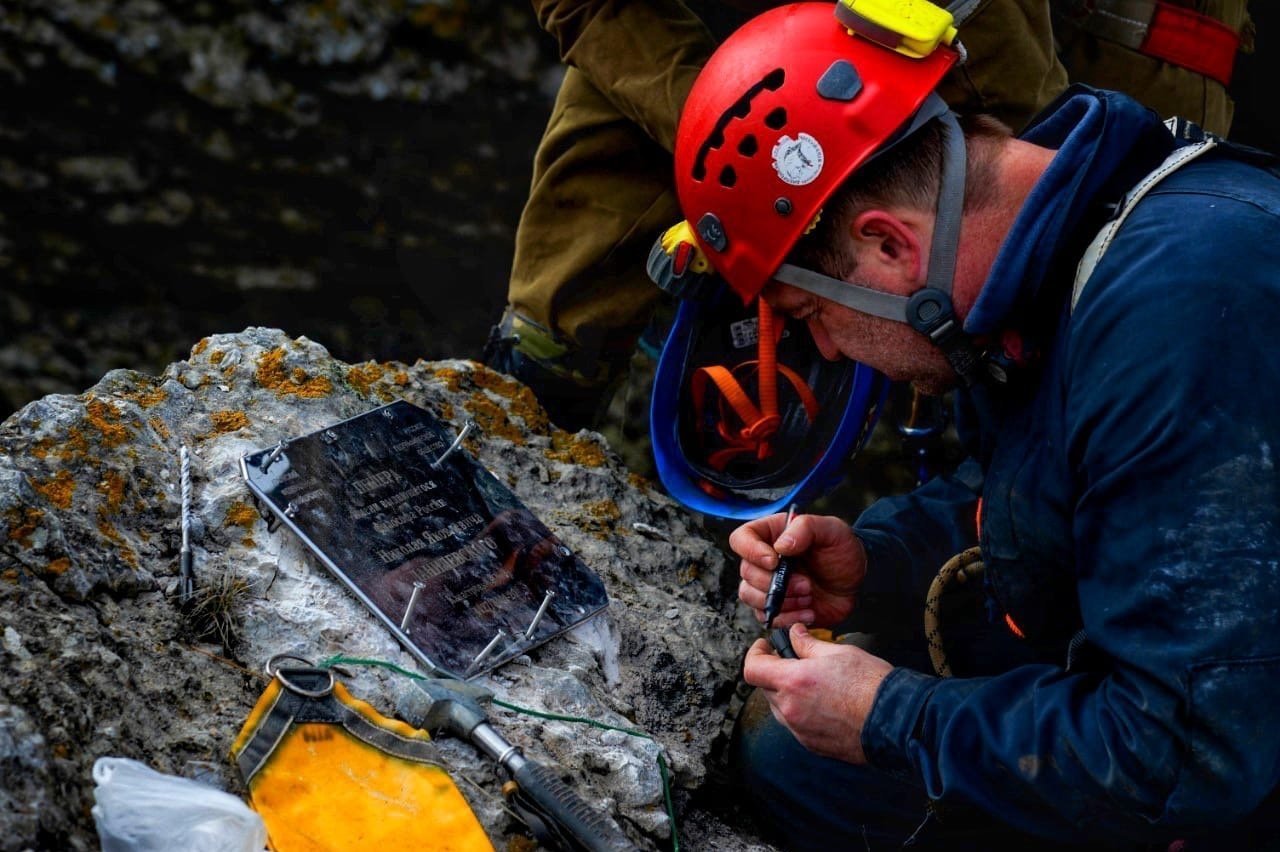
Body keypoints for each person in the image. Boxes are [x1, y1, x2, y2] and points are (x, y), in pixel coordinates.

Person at [646, 3, 1280, 849]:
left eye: (810, 314)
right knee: (800, 765)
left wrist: (895, 718)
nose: (830, 348)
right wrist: (879, 563)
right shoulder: (1069, 250)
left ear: (888, 248)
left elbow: (1187, 753)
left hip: (1223, 766)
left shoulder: (1182, 314)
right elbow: (1056, 489)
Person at [486, 0, 1250, 434]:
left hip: (1040, 37)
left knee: (1038, 287)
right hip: (714, 33)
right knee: (554, 330)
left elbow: (1015, 139)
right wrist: (739, 153)